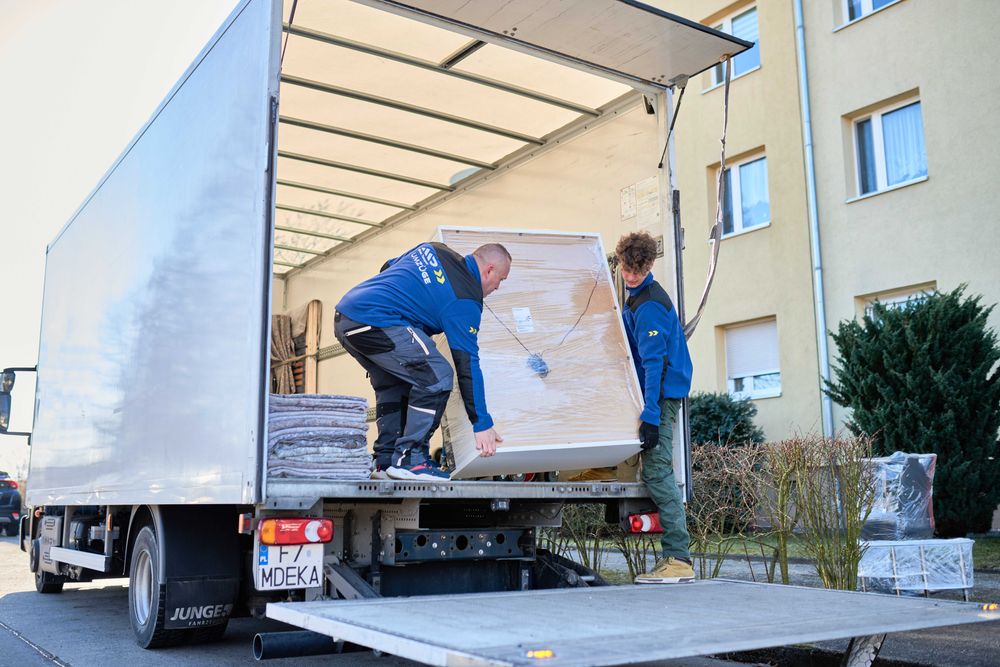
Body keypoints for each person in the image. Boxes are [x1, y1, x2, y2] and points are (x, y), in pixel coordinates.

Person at [334, 241, 510, 481]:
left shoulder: (436, 249)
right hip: (375, 321)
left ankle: (386, 462)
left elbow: (389, 266)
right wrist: (481, 423)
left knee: (398, 383)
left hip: (348, 317)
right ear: (489, 270)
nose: (497, 287)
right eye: (501, 280)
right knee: (437, 377)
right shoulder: (465, 299)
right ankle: (411, 459)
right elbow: (467, 364)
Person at [616, 231, 695, 583]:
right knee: (651, 468)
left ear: (649, 265)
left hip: (661, 394)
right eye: (626, 269)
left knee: (657, 471)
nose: (630, 276)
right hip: (652, 391)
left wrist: (650, 413)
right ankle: (676, 556)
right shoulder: (634, 295)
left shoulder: (648, 304)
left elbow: (654, 363)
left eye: (637, 270)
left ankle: (678, 558)